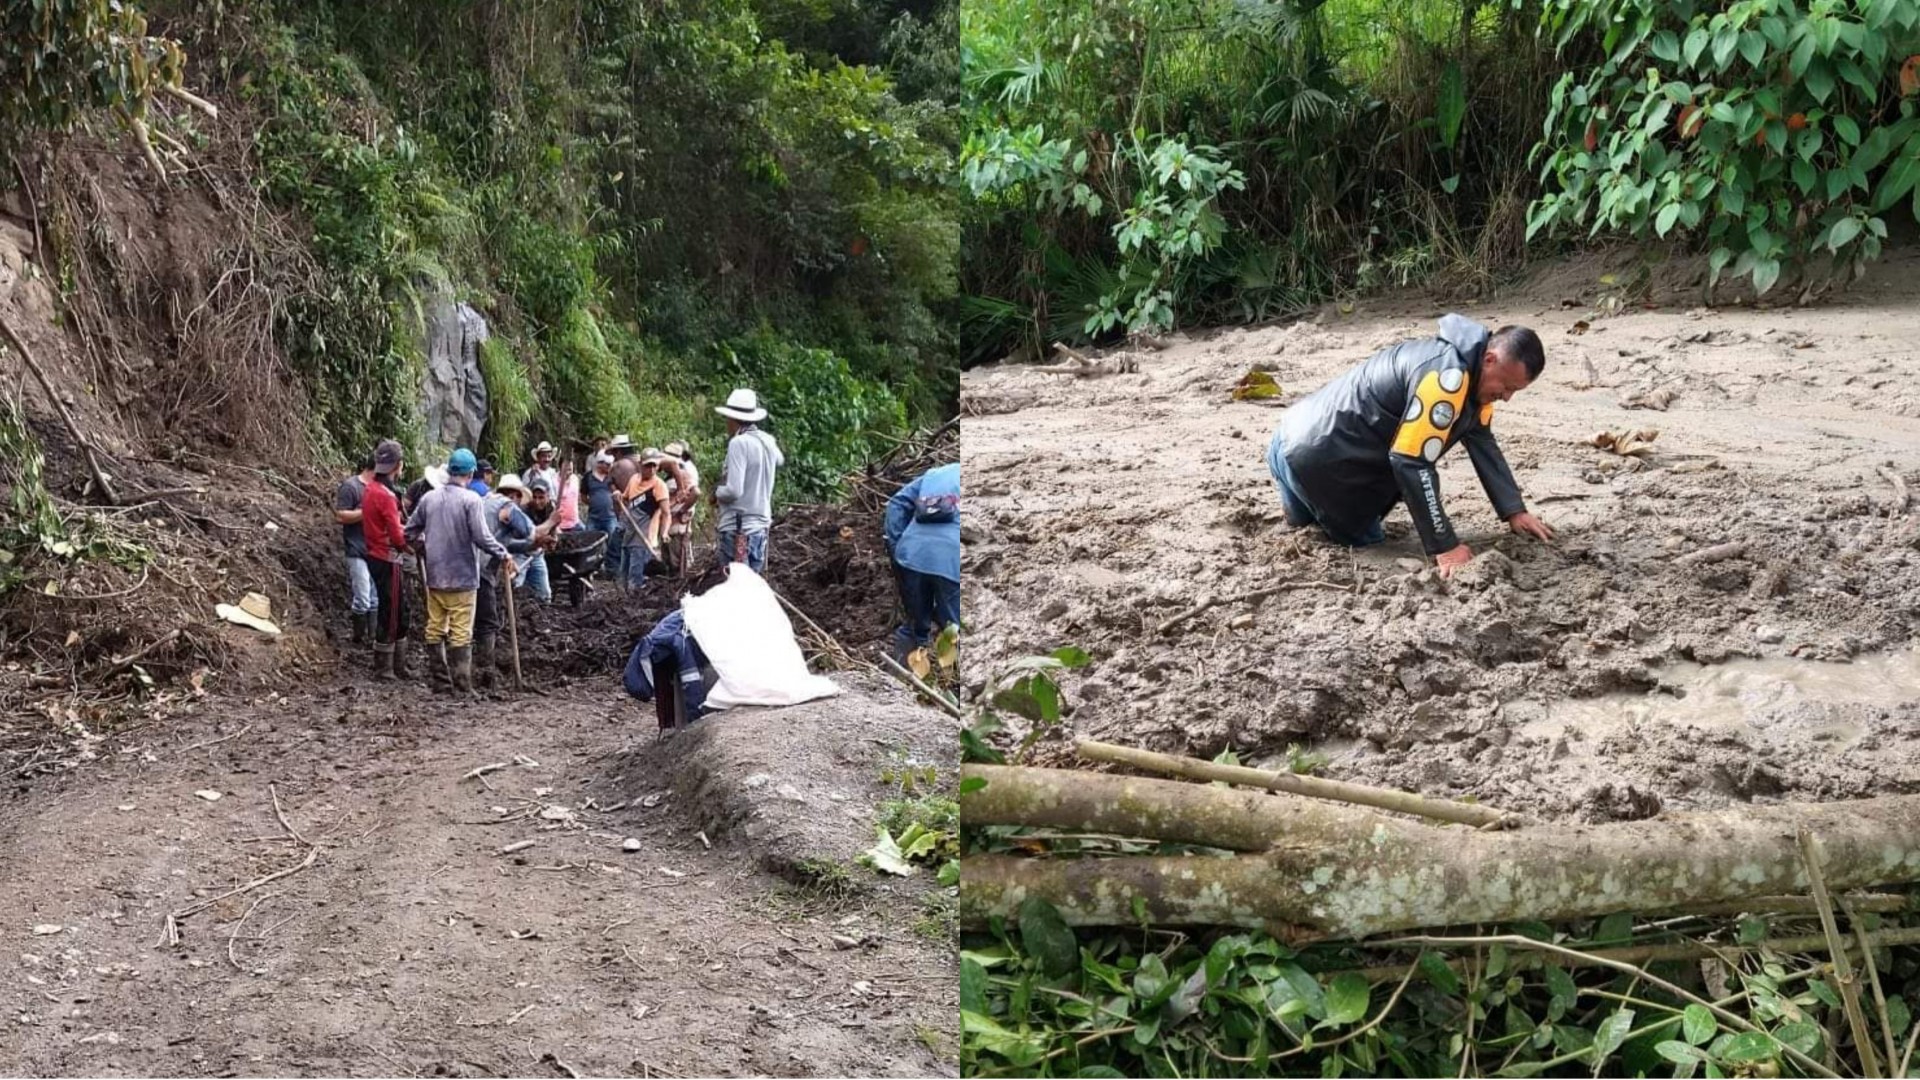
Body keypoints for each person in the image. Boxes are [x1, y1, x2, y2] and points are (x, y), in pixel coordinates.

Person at [1268, 315, 1554, 579]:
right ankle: (1320, 509)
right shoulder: (1448, 379)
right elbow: (1411, 461)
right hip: (1319, 461)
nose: (1506, 398)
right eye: (1506, 387)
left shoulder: (1466, 369)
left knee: (1309, 524)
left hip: (1288, 441)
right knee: (1365, 540)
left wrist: (1514, 509)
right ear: (1490, 359)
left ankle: (1306, 508)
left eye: (1515, 391)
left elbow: (1482, 440)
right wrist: (1445, 546)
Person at [405, 449, 513, 694]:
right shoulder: (471, 500)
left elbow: (409, 532)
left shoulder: (429, 499)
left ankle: (441, 681)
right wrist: (503, 553)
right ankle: (462, 684)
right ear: (471, 473)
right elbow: (482, 536)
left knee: (435, 627)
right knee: (461, 631)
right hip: (463, 576)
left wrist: (423, 547)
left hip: (435, 576)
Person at [622, 565, 728, 733]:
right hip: (685, 646)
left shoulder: (676, 641)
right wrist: (697, 720)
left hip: (694, 643)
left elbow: (691, 681)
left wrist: (697, 717)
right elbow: (691, 682)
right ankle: (684, 729)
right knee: (688, 684)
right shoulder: (673, 643)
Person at [885, 462, 961, 660]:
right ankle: (954, 682)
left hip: (911, 555)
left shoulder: (936, 473)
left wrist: (897, 544)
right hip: (951, 562)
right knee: (954, 630)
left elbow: (897, 504)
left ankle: (902, 681)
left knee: (914, 627)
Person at [711, 388, 783, 574]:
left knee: (736, 591)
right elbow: (779, 460)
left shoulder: (739, 443)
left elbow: (734, 490)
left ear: (732, 419)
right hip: (760, 528)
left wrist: (717, 493)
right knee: (752, 588)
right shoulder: (767, 441)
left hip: (739, 529)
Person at [474, 473, 535, 688]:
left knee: (469, 619)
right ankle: (486, 669)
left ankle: (469, 667)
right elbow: (529, 531)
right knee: (488, 619)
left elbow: (504, 542)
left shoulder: (483, 504)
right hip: (480, 569)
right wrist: (542, 533)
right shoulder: (507, 507)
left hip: (466, 568)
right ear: (514, 495)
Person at [362, 440, 412, 680]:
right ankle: (385, 667)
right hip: (387, 556)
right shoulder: (386, 495)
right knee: (391, 612)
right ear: (398, 466)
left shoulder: (371, 488)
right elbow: (395, 534)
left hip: (376, 554)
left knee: (395, 608)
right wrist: (410, 545)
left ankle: (396, 665)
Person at [617, 450, 672, 591]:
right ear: (641, 465)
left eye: (654, 466)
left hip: (644, 536)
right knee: (623, 571)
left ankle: (635, 602)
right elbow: (625, 499)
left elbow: (666, 513)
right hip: (630, 532)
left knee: (635, 574)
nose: (652, 469)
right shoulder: (634, 479)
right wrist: (618, 496)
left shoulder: (659, 486)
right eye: (648, 466)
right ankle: (622, 600)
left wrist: (664, 532)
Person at [660, 441, 701, 577]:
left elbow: (696, 493)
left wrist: (682, 510)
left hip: (678, 527)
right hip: (670, 526)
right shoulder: (670, 477)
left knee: (679, 564)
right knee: (670, 562)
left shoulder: (684, 475)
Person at [516, 477, 559, 605]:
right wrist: (544, 536)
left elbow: (553, 529)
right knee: (515, 589)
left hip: (537, 554)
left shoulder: (552, 508)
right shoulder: (523, 511)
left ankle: (541, 618)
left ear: (548, 496)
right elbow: (531, 534)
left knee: (545, 595)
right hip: (521, 554)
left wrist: (553, 540)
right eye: (535, 497)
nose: (537, 501)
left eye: (541, 497)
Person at [606, 435, 638, 580]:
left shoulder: (619, 466)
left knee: (617, 543)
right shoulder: (639, 462)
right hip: (643, 510)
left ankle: (615, 573)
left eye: (613, 453)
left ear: (618, 452)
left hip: (629, 509)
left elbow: (622, 493)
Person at [582, 452, 618, 538]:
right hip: (593, 518)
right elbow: (583, 496)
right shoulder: (588, 477)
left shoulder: (612, 477)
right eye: (607, 464)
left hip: (610, 517)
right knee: (589, 540)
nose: (610, 466)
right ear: (600, 463)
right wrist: (594, 503)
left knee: (613, 543)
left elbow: (617, 492)